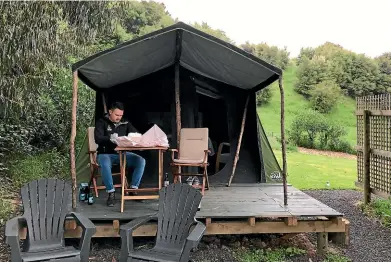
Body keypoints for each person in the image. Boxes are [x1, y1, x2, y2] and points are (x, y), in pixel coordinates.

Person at [94, 102, 146, 207]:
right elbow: (97, 139)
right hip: (105, 153)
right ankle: (111, 192)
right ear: (110, 112)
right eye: (116, 115)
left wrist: (139, 140)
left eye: (121, 115)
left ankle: (133, 189)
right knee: (104, 162)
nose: (119, 117)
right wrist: (110, 138)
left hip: (122, 153)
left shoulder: (125, 122)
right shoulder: (101, 122)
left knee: (141, 160)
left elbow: (135, 134)